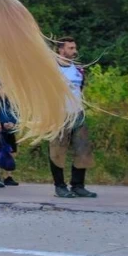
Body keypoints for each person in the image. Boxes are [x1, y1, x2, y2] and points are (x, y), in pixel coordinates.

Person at [51, 37, 96, 199]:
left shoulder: (78, 69)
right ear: (61, 49)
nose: (74, 51)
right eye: (70, 48)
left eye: (74, 47)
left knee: (83, 150)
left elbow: (80, 89)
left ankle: (78, 185)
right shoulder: (52, 69)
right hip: (59, 115)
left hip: (78, 114)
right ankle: (60, 186)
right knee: (58, 151)